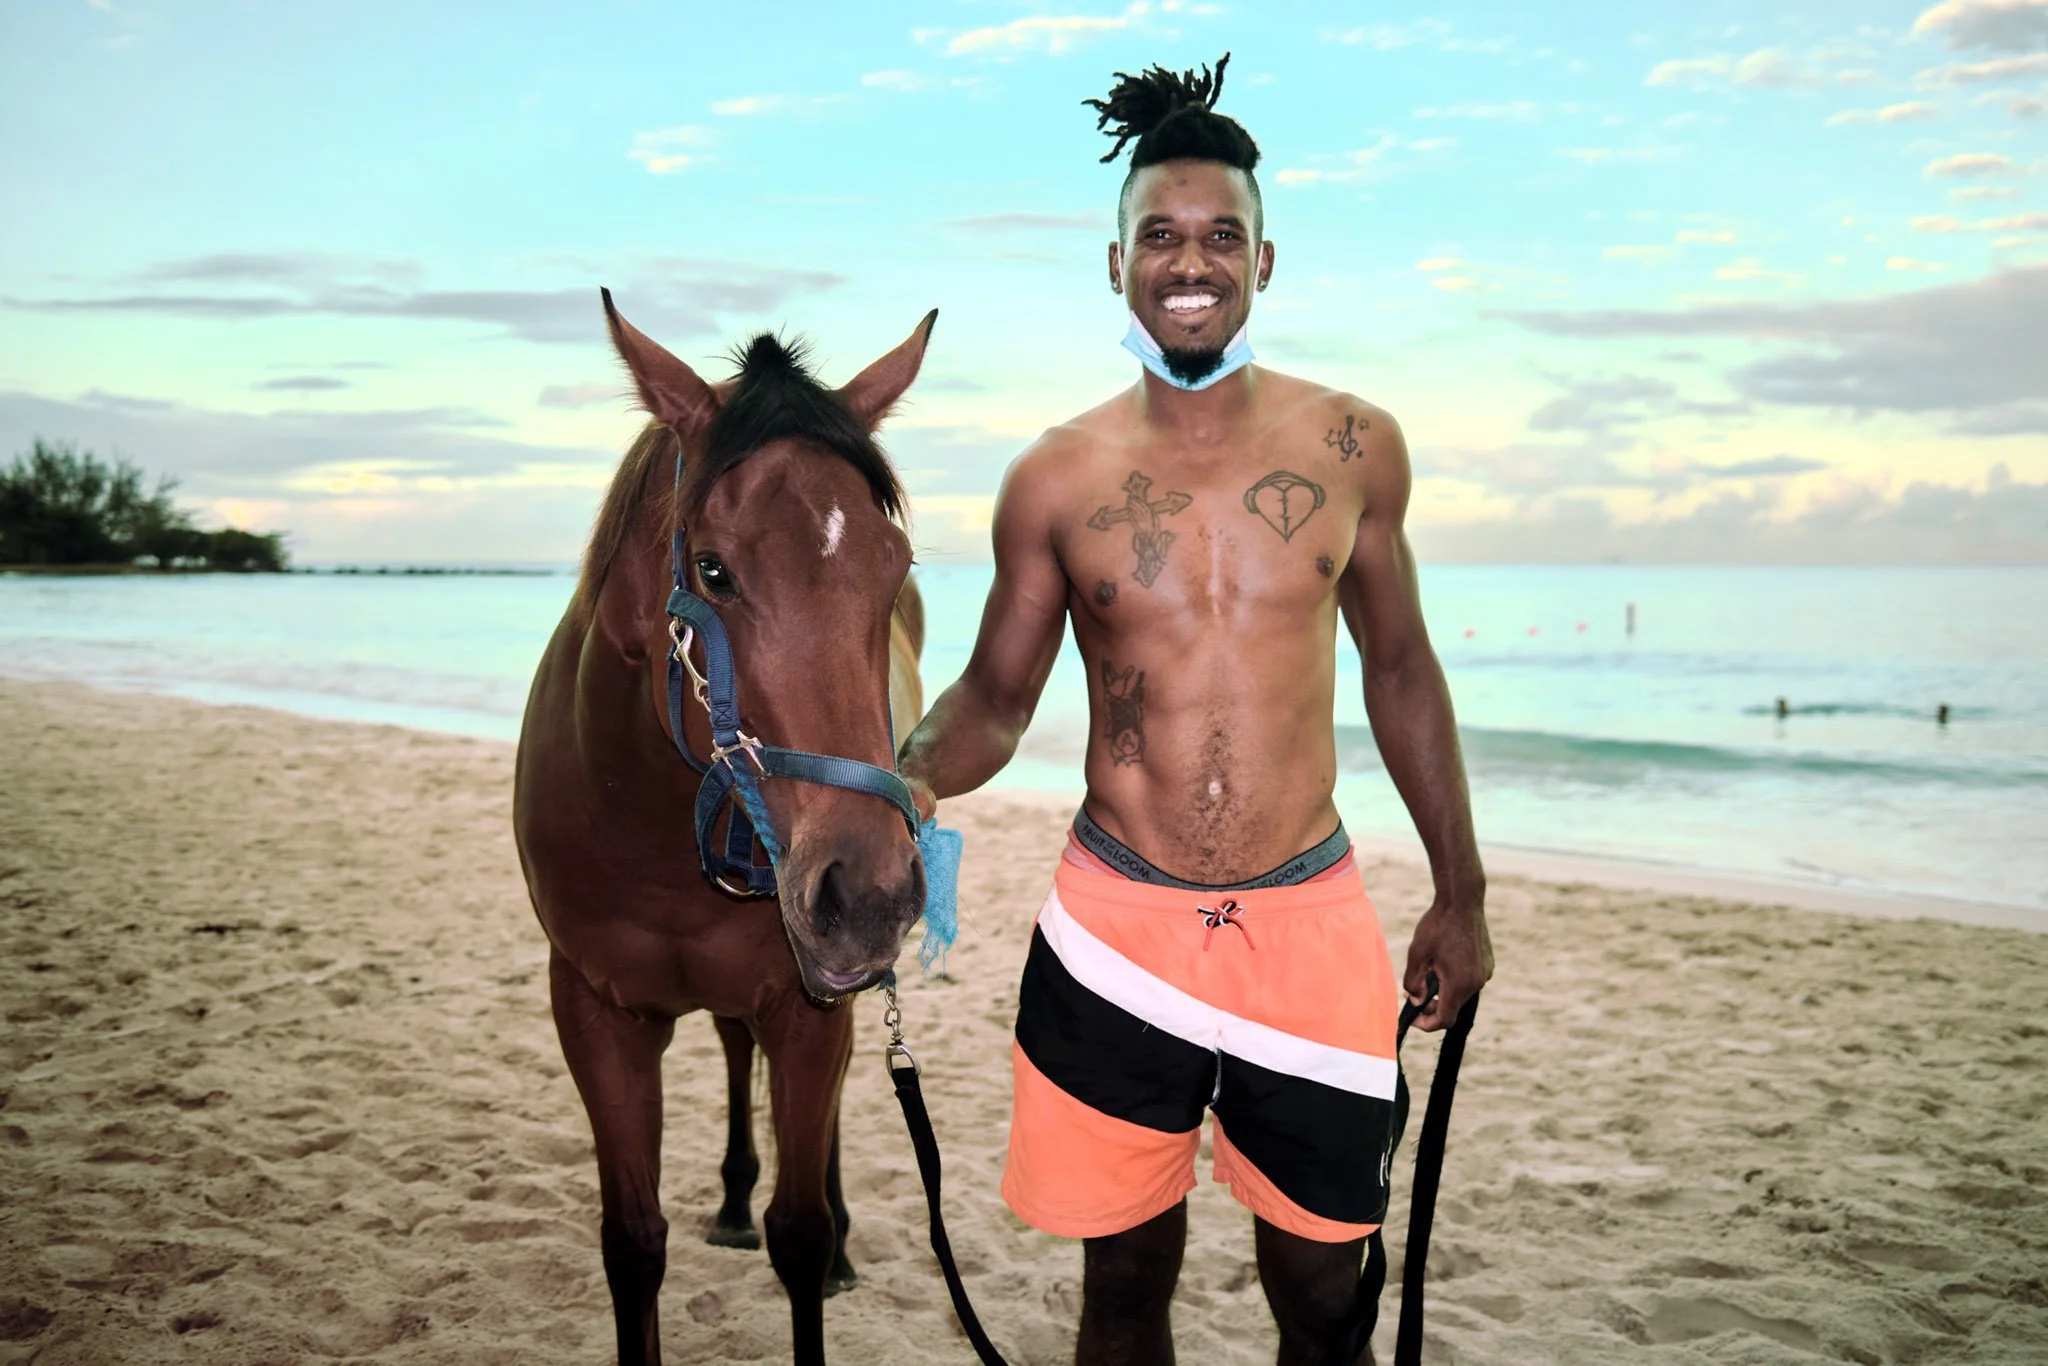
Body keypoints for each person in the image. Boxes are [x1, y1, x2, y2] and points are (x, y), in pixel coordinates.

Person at [896, 55, 1492, 1366]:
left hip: (1311, 919)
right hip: (1117, 927)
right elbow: (995, 700)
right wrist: (900, 783)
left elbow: (1400, 670)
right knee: (1122, 1294)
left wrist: (1460, 888)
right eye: (1158, 236)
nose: (1191, 261)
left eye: (1223, 236)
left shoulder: (1356, 446)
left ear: (1265, 263)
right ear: (1115, 264)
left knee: (1326, 1293)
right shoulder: (1054, 476)